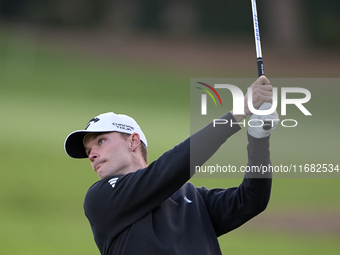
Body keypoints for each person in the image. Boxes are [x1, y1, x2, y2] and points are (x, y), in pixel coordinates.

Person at [64, 76, 278, 255]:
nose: (92, 154)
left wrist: (259, 139)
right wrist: (236, 114)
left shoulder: (193, 197)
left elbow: (251, 200)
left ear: (133, 141)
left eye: (100, 141)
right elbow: (171, 168)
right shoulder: (101, 198)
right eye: (87, 151)